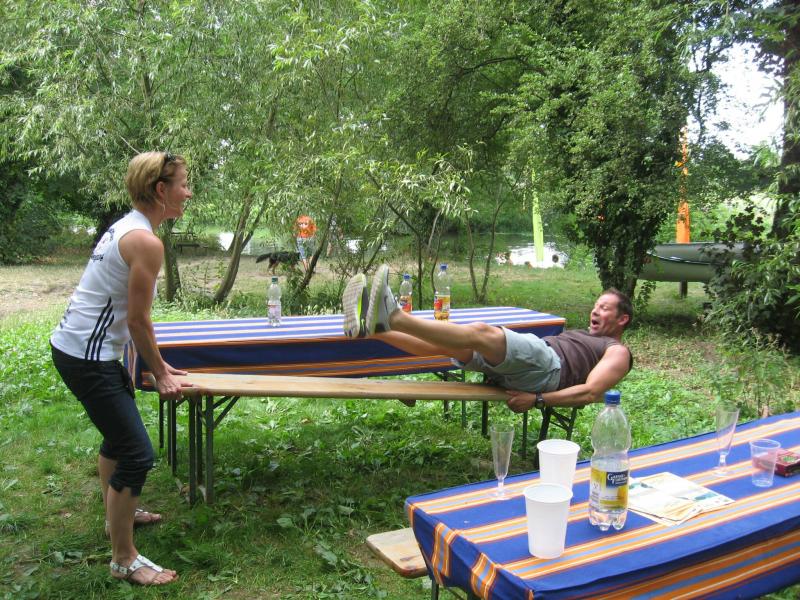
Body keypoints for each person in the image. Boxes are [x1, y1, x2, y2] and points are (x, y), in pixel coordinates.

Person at [50, 151, 194, 586]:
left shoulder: (127, 226)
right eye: (183, 184)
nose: (188, 192)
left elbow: (132, 321)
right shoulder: (145, 241)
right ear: (161, 189)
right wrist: (161, 374)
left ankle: (117, 519)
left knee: (119, 440)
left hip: (83, 352)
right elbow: (138, 321)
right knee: (137, 453)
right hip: (86, 358)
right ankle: (123, 558)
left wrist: (162, 365)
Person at [343, 265, 633, 411]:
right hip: (525, 371)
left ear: (622, 319)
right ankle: (379, 330)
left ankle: (394, 317)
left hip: (548, 368)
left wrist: (537, 400)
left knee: (481, 332)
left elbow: (590, 393)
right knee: (450, 345)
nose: (595, 311)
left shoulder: (617, 351)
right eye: (596, 305)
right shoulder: (586, 336)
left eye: (604, 308)